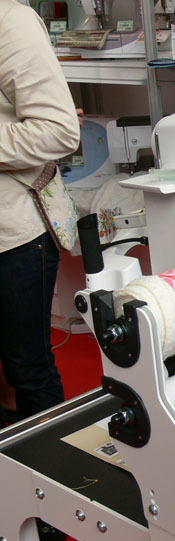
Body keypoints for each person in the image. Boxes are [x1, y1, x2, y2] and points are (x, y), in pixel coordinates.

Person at [0, 0, 81, 422]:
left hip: (12, 235)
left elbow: (58, 131)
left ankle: (52, 459)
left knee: (26, 369)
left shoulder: (8, 20)